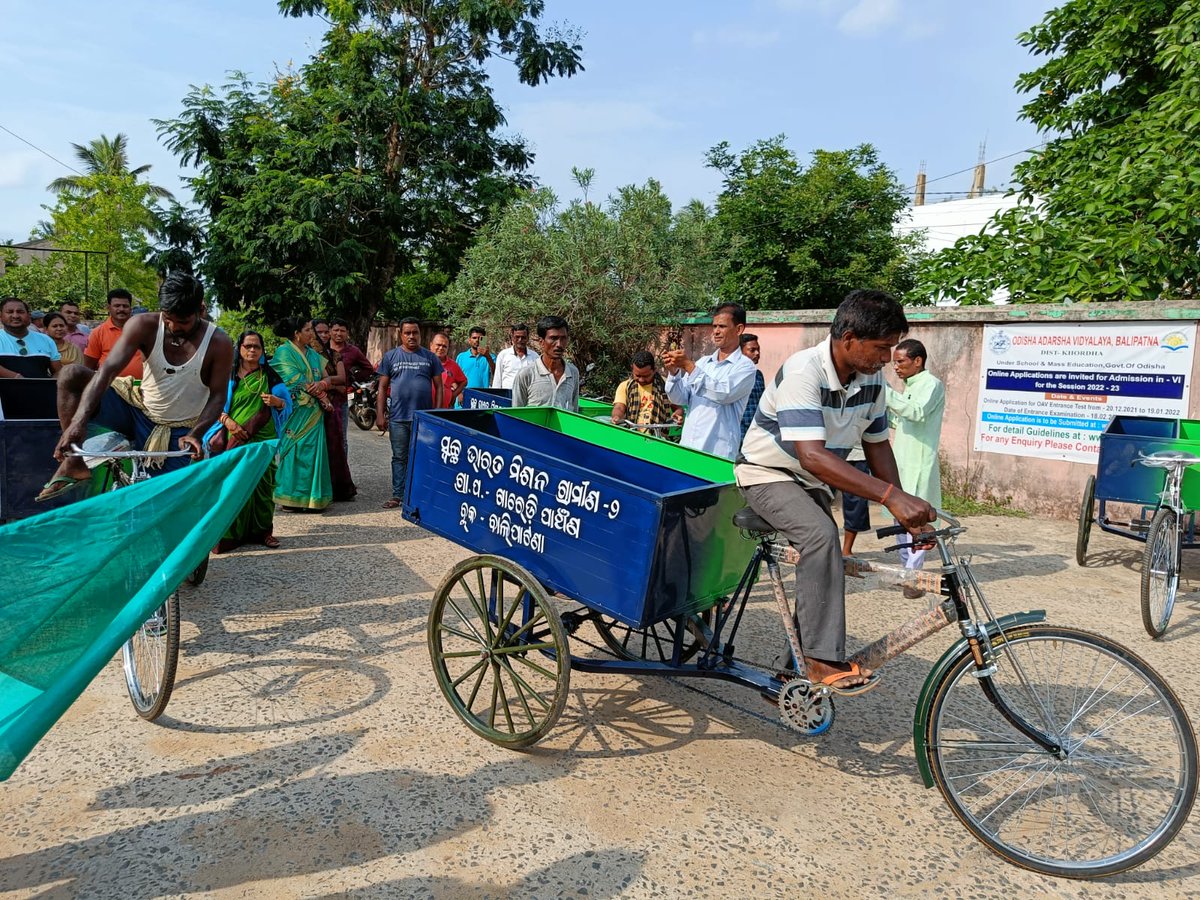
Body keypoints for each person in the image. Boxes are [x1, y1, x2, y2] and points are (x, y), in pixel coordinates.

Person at [736, 289, 936, 695]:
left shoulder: (871, 379)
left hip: (810, 481)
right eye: (881, 348)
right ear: (848, 338)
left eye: (892, 349)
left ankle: (793, 665)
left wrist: (903, 512)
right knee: (821, 537)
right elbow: (812, 456)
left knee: (822, 561)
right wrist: (890, 497)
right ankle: (817, 659)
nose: (887, 359)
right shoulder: (803, 372)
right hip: (766, 472)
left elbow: (878, 445)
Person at [38, 273, 234, 500]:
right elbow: (107, 372)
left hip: (179, 429)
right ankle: (74, 462)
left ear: (200, 310)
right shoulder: (143, 325)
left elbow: (218, 396)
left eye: (183, 322)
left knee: (169, 501)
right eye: (168, 318)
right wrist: (78, 422)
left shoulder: (219, 342)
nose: (173, 326)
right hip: (135, 409)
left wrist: (196, 433)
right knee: (71, 374)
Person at [205, 331, 291, 552]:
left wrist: (277, 401)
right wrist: (229, 423)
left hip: (263, 437)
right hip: (234, 437)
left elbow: (288, 405)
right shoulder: (228, 376)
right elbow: (213, 405)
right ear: (240, 349)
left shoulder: (271, 378)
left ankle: (263, 532)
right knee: (233, 484)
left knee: (263, 486)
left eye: (257, 347)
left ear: (262, 351)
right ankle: (229, 534)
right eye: (247, 346)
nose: (252, 350)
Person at [886, 338, 946, 595]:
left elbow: (917, 413)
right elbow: (900, 420)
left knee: (918, 521)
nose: (896, 368)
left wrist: (885, 393)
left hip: (920, 462)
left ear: (917, 361)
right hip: (901, 460)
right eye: (894, 363)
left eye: (900, 362)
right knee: (900, 517)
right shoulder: (908, 387)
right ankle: (907, 572)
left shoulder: (931, 385)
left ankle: (914, 577)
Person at [663, 302, 758, 459]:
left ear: (739, 329)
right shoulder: (703, 363)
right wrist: (673, 372)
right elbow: (679, 398)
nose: (716, 332)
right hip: (688, 446)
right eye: (714, 327)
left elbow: (723, 394)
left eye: (722, 326)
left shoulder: (745, 367)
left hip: (717, 452)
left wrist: (688, 366)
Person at [377, 317, 442, 509]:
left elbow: (439, 387)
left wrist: (436, 414)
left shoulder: (430, 358)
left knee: (423, 456)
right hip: (398, 417)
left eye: (415, 332)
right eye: (407, 333)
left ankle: (421, 493)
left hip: (423, 419)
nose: (412, 336)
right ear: (400, 334)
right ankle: (398, 495)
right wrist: (380, 414)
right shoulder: (390, 357)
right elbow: (382, 387)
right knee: (399, 457)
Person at [271, 317, 334, 512]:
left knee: (313, 451)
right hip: (295, 410)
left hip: (314, 412)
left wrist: (323, 384)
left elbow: (326, 377)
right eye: (307, 330)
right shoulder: (284, 353)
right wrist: (323, 396)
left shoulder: (314, 354)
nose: (311, 333)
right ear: (297, 334)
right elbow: (297, 380)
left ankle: (313, 498)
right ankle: (290, 497)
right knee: (293, 451)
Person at [310, 317, 357, 502]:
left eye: (325, 331)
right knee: (313, 446)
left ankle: (337, 486)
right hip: (310, 406)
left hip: (333, 405)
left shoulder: (333, 355)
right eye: (318, 332)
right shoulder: (306, 355)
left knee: (336, 444)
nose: (323, 335)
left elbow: (341, 380)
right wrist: (329, 383)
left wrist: (325, 383)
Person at [511, 315, 580, 411]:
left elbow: (574, 412)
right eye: (553, 338)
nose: (559, 344)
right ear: (541, 342)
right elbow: (516, 415)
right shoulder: (526, 374)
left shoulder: (573, 373)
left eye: (563, 338)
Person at [327, 318, 375, 455]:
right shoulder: (321, 350)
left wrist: (351, 379)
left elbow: (368, 369)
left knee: (341, 438)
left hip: (341, 400)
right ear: (330, 331)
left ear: (347, 333)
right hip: (321, 399)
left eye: (342, 331)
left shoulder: (353, 351)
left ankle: (342, 473)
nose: (338, 333)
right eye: (336, 330)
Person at [611, 350, 683, 433]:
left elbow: (678, 408)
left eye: (646, 376)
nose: (641, 380)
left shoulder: (666, 385)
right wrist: (616, 417)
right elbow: (619, 407)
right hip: (632, 434)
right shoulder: (625, 386)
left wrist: (678, 415)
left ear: (654, 370)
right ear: (632, 369)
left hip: (658, 437)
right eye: (637, 375)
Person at [84, 288, 143, 379]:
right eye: (117, 306)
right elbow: (89, 366)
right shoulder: (98, 333)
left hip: (141, 386)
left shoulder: (142, 330)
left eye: (125, 306)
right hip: (109, 387)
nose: (121, 309)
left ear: (130, 308)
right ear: (109, 308)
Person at [0, 297, 62, 378]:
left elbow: (58, 371)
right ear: (1, 316)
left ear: (29, 316)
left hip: (41, 390)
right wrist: (17, 378)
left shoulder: (46, 340)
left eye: (20, 312)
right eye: (10, 312)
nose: (15, 316)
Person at [491, 323, 535, 389]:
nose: (520, 340)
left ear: (527, 338)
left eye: (523, 337)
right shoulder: (503, 355)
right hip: (507, 396)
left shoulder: (534, 357)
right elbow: (497, 380)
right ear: (512, 337)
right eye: (517, 337)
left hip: (528, 396)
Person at [455, 326, 495, 399]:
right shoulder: (461, 357)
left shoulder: (491, 357)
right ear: (469, 340)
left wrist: (487, 356)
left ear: (484, 340)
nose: (477, 340)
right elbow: (454, 378)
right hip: (463, 399)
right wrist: (459, 393)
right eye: (474, 338)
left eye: (480, 338)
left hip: (482, 400)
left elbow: (496, 374)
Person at [430, 332, 467, 408]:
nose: (441, 348)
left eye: (444, 346)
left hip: (444, 409)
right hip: (424, 408)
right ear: (431, 345)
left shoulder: (452, 365)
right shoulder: (423, 362)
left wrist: (454, 395)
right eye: (438, 345)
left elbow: (464, 381)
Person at [739, 332, 765, 439]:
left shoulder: (758, 375)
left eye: (758, 349)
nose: (757, 353)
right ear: (739, 352)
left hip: (755, 431)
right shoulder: (733, 375)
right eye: (752, 350)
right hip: (738, 431)